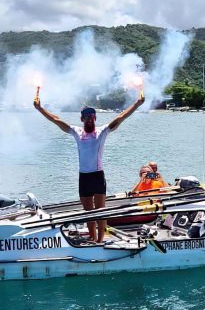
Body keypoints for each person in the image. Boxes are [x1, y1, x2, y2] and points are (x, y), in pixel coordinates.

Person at [33, 93, 145, 243]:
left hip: (97, 176)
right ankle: (92, 238)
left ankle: (100, 240)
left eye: (92, 117)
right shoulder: (76, 132)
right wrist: (40, 108)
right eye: (87, 117)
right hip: (84, 177)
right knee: (88, 213)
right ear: (82, 119)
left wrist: (137, 104)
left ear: (95, 118)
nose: (89, 119)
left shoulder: (102, 131)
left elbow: (121, 117)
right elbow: (56, 120)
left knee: (100, 212)